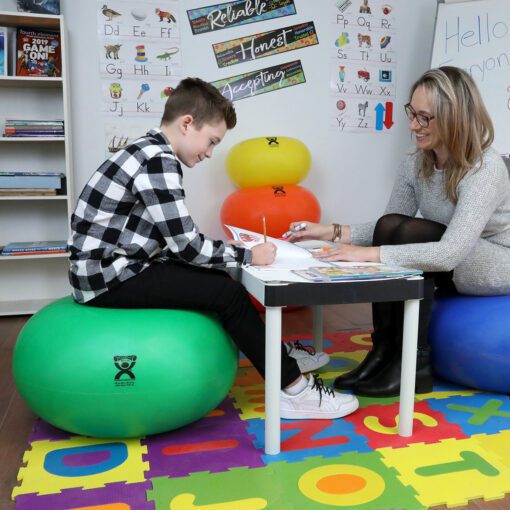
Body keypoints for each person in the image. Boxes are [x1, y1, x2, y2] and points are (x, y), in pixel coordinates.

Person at [68, 77, 359, 420]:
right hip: (107, 277)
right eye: (211, 141)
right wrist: (249, 254)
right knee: (228, 294)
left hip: (111, 268)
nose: (209, 152)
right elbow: (186, 246)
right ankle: (293, 389)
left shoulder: (147, 150)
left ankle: (278, 356)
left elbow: (175, 238)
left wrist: (227, 251)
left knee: (219, 278)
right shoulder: (157, 160)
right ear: (187, 123)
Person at [286, 66, 510, 397]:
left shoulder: (483, 168)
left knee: (413, 232)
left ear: (454, 117)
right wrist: (331, 231)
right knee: (392, 225)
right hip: (453, 251)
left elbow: (450, 252)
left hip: (495, 260)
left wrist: (366, 255)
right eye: (412, 113)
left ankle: (413, 364)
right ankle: (383, 350)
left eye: (425, 118)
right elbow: (388, 226)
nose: (413, 126)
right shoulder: (415, 160)